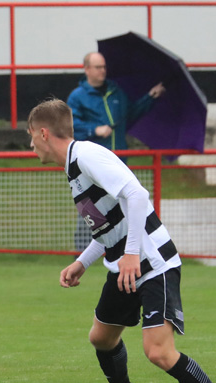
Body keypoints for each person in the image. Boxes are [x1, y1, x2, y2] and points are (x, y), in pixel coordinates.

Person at [27, 98, 216, 383]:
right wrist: (83, 261)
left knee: (158, 352)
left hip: (153, 263)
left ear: (42, 133)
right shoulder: (74, 169)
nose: (30, 144)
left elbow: (137, 195)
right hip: (126, 266)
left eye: (30, 136)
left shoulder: (87, 155)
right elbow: (110, 226)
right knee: (102, 338)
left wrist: (133, 253)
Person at [67, 52, 165, 251]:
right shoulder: (77, 97)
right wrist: (93, 130)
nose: (102, 71)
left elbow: (131, 114)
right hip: (91, 167)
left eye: (103, 67)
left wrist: (150, 97)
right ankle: (82, 253)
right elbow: (70, 126)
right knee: (90, 208)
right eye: (97, 67)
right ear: (86, 69)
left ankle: (125, 250)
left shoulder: (116, 92)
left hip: (119, 162)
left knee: (123, 207)